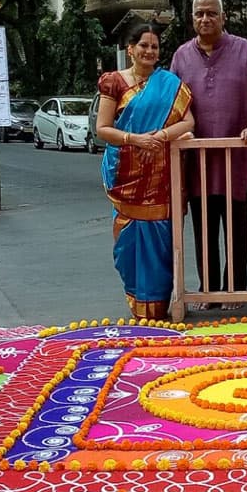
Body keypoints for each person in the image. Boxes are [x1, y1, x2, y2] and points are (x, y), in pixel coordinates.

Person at [170, 0, 247, 312]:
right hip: (198, 162)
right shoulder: (181, 56)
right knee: (203, 229)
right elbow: (171, 103)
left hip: (236, 159)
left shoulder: (244, 51)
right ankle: (209, 291)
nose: (205, 19)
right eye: (199, 13)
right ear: (192, 19)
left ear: (223, 17)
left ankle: (235, 289)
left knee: (236, 228)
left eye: (211, 13)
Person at [96, 24, 195, 320]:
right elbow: (102, 128)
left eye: (154, 46)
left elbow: (189, 123)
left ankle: (160, 305)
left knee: (162, 242)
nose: (149, 51)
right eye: (144, 46)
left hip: (160, 176)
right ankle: (137, 302)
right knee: (128, 248)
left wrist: (160, 137)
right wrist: (135, 139)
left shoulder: (170, 84)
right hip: (125, 173)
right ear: (131, 49)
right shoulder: (114, 82)